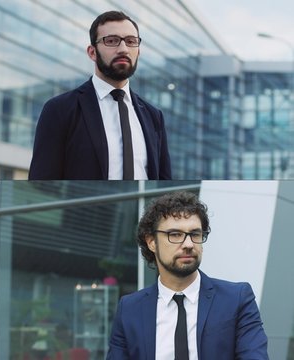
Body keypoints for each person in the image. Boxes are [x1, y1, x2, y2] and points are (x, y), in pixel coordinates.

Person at [107, 192, 268, 359]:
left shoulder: (237, 299)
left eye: (195, 234)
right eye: (175, 234)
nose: (189, 244)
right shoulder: (129, 309)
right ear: (152, 242)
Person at [29, 11, 171, 180]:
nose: (123, 49)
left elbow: (164, 181)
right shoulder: (60, 109)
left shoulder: (153, 116)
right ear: (92, 52)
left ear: (138, 51)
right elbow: (42, 179)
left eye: (131, 41)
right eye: (111, 41)